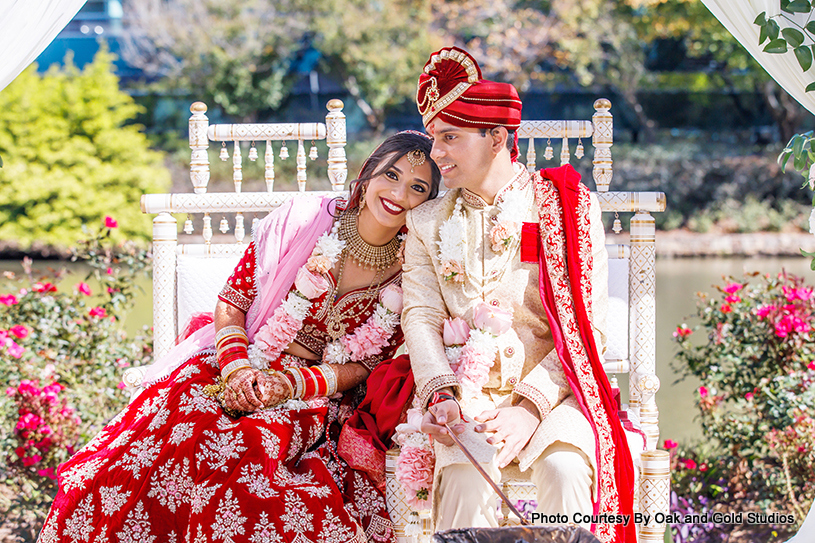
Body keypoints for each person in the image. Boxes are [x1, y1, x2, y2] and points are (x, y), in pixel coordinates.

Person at [37, 131, 441, 543]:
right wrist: (237, 370)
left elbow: (368, 364)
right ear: (367, 175)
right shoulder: (303, 222)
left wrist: (290, 384)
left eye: (417, 187)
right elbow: (232, 302)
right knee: (185, 432)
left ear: (428, 204)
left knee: (249, 447)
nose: (398, 193)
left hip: (315, 394)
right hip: (240, 361)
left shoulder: (415, 270)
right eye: (390, 175)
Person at [401, 46, 635, 543]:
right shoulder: (424, 222)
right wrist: (441, 394)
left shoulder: (565, 207)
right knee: (466, 478)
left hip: (556, 395)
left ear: (497, 138)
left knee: (565, 473)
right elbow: (419, 317)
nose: (435, 152)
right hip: (467, 400)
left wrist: (529, 408)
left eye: (449, 138)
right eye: (433, 138)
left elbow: (586, 326)